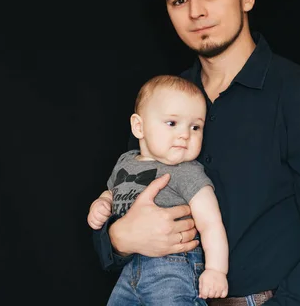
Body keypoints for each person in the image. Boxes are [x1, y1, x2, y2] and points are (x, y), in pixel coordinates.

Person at [91, 0, 300, 306]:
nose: (196, 12)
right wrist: (118, 240)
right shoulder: (162, 99)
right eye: (178, 1)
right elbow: (122, 200)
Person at [88, 75, 228, 305]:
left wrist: (216, 270)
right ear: (139, 127)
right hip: (129, 269)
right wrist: (101, 204)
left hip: (172, 270)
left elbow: (211, 224)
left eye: (195, 127)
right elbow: (111, 193)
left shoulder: (188, 172)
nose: (185, 134)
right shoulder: (126, 161)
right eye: (172, 123)